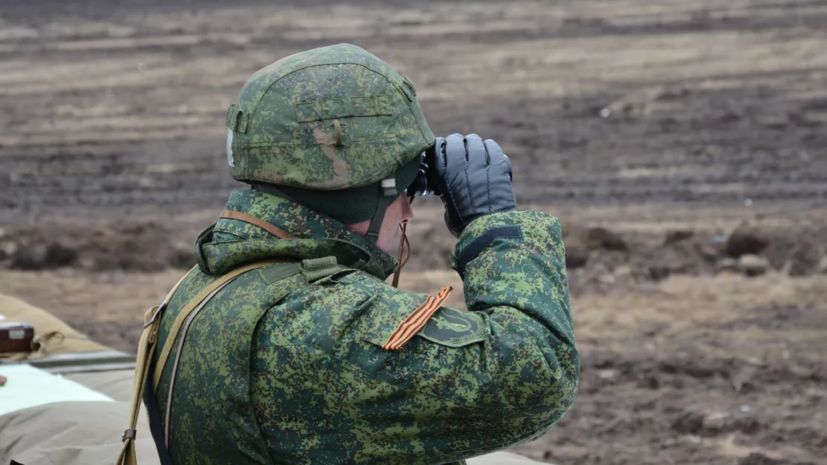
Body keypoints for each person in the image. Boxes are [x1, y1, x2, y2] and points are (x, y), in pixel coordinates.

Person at [124, 43, 578, 465]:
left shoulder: (209, 284)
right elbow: (537, 374)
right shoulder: (319, 326)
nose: (407, 212)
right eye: (402, 190)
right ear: (359, 195)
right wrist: (493, 228)